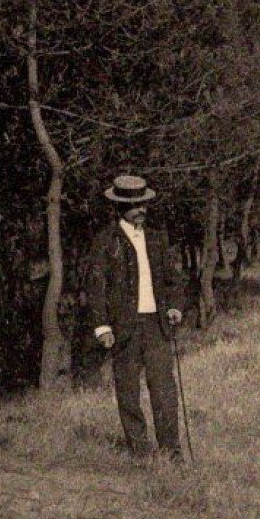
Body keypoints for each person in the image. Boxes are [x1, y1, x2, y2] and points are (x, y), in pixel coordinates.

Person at [86, 174, 189, 463]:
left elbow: (173, 281)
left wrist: (175, 307)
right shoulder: (106, 242)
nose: (140, 209)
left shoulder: (157, 239)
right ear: (119, 207)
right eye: (133, 205)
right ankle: (141, 452)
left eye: (143, 203)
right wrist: (102, 327)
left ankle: (171, 452)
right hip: (123, 330)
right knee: (128, 392)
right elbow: (95, 287)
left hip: (157, 327)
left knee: (164, 391)